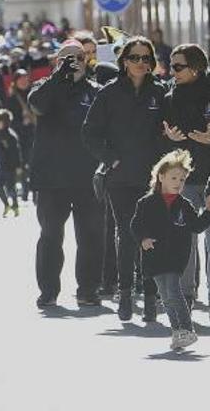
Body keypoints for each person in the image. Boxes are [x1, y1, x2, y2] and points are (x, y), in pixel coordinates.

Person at [83, 36, 168, 321]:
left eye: (146, 58)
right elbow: (90, 132)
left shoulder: (160, 92)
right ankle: (126, 294)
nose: (140, 63)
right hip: (120, 177)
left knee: (151, 235)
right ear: (124, 60)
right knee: (127, 234)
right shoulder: (109, 93)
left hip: (152, 176)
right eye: (135, 58)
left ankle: (151, 296)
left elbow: (167, 132)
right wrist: (111, 159)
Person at [29, 39, 104, 308]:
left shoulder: (95, 91)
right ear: (56, 63)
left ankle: (88, 288)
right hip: (52, 179)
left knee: (91, 235)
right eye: (65, 59)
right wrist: (58, 77)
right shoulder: (45, 88)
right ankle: (48, 290)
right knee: (50, 235)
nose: (73, 64)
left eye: (79, 58)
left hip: (86, 178)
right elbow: (37, 105)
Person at [160, 43, 210, 318]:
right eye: (171, 65)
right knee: (185, 238)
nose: (173, 71)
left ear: (196, 67)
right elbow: (159, 139)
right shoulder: (169, 98)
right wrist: (169, 138)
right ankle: (187, 295)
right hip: (183, 180)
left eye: (179, 66)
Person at [131, 149, 210, 350]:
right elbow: (135, 225)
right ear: (161, 177)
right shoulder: (146, 203)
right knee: (166, 296)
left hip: (176, 256)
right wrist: (142, 239)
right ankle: (177, 331)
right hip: (154, 256)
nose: (178, 183)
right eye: (174, 178)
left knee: (174, 291)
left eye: (182, 179)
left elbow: (196, 226)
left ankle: (187, 329)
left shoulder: (184, 205)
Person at [6, 69, 36, 201]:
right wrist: (21, 122)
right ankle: (24, 190)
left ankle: (35, 191)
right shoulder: (12, 98)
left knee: (34, 163)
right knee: (22, 164)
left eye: (26, 79)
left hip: (34, 133)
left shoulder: (33, 95)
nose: (24, 82)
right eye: (21, 79)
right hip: (19, 136)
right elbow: (10, 119)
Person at [0, 108, 22, 217]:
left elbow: (15, 152)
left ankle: (15, 205)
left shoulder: (9, 136)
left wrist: (18, 165)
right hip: (2, 165)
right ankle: (6, 204)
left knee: (10, 187)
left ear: (2, 122)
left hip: (10, 166)